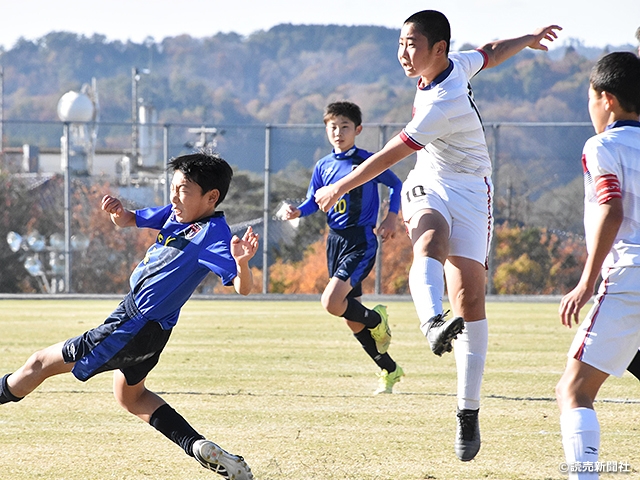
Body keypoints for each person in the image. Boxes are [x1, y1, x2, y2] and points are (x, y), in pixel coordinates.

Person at [314, 10, 561, 461]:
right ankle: (431, 323)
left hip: (473, 192)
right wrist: (527, 37)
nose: (403, 53)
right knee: (429, 241)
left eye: (412, 44)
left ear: (438, 49)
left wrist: (339, 185)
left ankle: (468, 411)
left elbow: (388, 154)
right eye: (401, 43)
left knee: (470, 301)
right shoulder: (452, 67)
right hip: (429, 180)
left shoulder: (441, 101)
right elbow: (489, 53)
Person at [0, 152, 259, 480]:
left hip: (132, 324)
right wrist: (118, 213)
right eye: (173, 186)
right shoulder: (177, 214)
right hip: (153, 330)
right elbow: (129, 220)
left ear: (211, 197)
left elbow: (243, 287)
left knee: (39, 363)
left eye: (183, 190)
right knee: (131, 396)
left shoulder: (215, 236)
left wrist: (243, 263)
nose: (174, 196)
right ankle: (198, 446)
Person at [280, 101, 404, 395]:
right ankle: (389, 369)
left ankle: (377, 319)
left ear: (357, 130)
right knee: (350, 317)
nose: (338, 132)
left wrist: (391, 218)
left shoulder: (367, 160)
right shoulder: (323, 165)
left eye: (345, 126)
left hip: (360, 240)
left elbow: (396, 184)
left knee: (331, 302)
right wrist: (298, 211)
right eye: (333, 126)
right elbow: (314, 201)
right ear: (326, 130)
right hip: (334, 240)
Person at [555, 52, 640, 479]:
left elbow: (611, 208)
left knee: (574, 390)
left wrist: (586, 281)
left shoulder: (602, 145)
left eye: (589, 98)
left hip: (630, 277)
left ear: (606, 99)